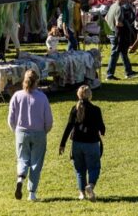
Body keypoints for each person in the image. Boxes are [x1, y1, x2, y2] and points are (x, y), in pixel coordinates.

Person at [8, 69, 53, 202]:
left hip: (21, 132)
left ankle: (20, 177)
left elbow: (11, 118)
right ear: (37, 81)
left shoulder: (17, 96)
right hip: (39, 132)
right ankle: (32, 193)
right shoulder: (42, 97)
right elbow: (48, 120)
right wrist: (45, 130)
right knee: (36, 163)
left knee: (22, 158)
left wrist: (15, 130)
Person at [58, 85, 105, 202]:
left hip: (77, 144)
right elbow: (102, 129)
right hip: (92, 143)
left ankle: (82, 194)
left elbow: (68, 127)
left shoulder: (75, 109)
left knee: (80, 170)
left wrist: (62, 144)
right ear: (90, 95)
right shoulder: (96, 110)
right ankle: (90, 185)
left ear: (78, 95)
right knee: (94, 167)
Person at [104, 0, 137, 79]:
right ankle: (109, 74)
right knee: (114, 54)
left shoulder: (112, 6)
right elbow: (119, 23)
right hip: (116, 34)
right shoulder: (119, 8)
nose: (127, 0)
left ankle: (129, 72)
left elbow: (106, 18)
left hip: (111, 32)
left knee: (123, 52)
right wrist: (127, 25)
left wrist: (108, 30)